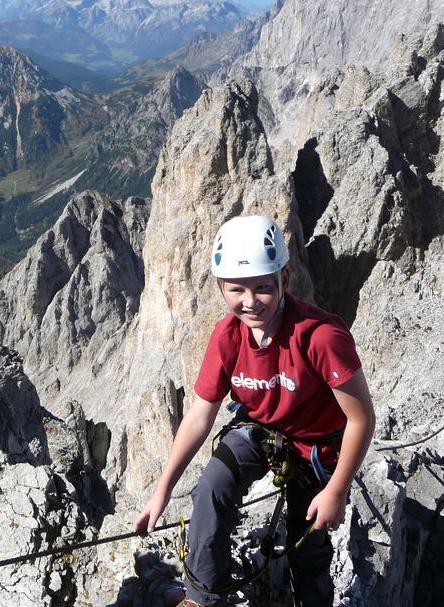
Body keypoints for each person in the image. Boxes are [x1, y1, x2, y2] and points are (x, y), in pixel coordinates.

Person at [133, 215, 376, 607]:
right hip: (261, 431)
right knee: (211, 489)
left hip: (317, 450)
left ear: (285, 278)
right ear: (221, 287)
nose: (249, 301)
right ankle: (201, 600)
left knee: (308, 549)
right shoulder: (227, 336)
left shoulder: (320, 336)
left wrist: (336, 490)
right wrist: (162, 490)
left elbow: (361, 418)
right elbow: (199, 416)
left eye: (262, 287)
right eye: (236, 290)